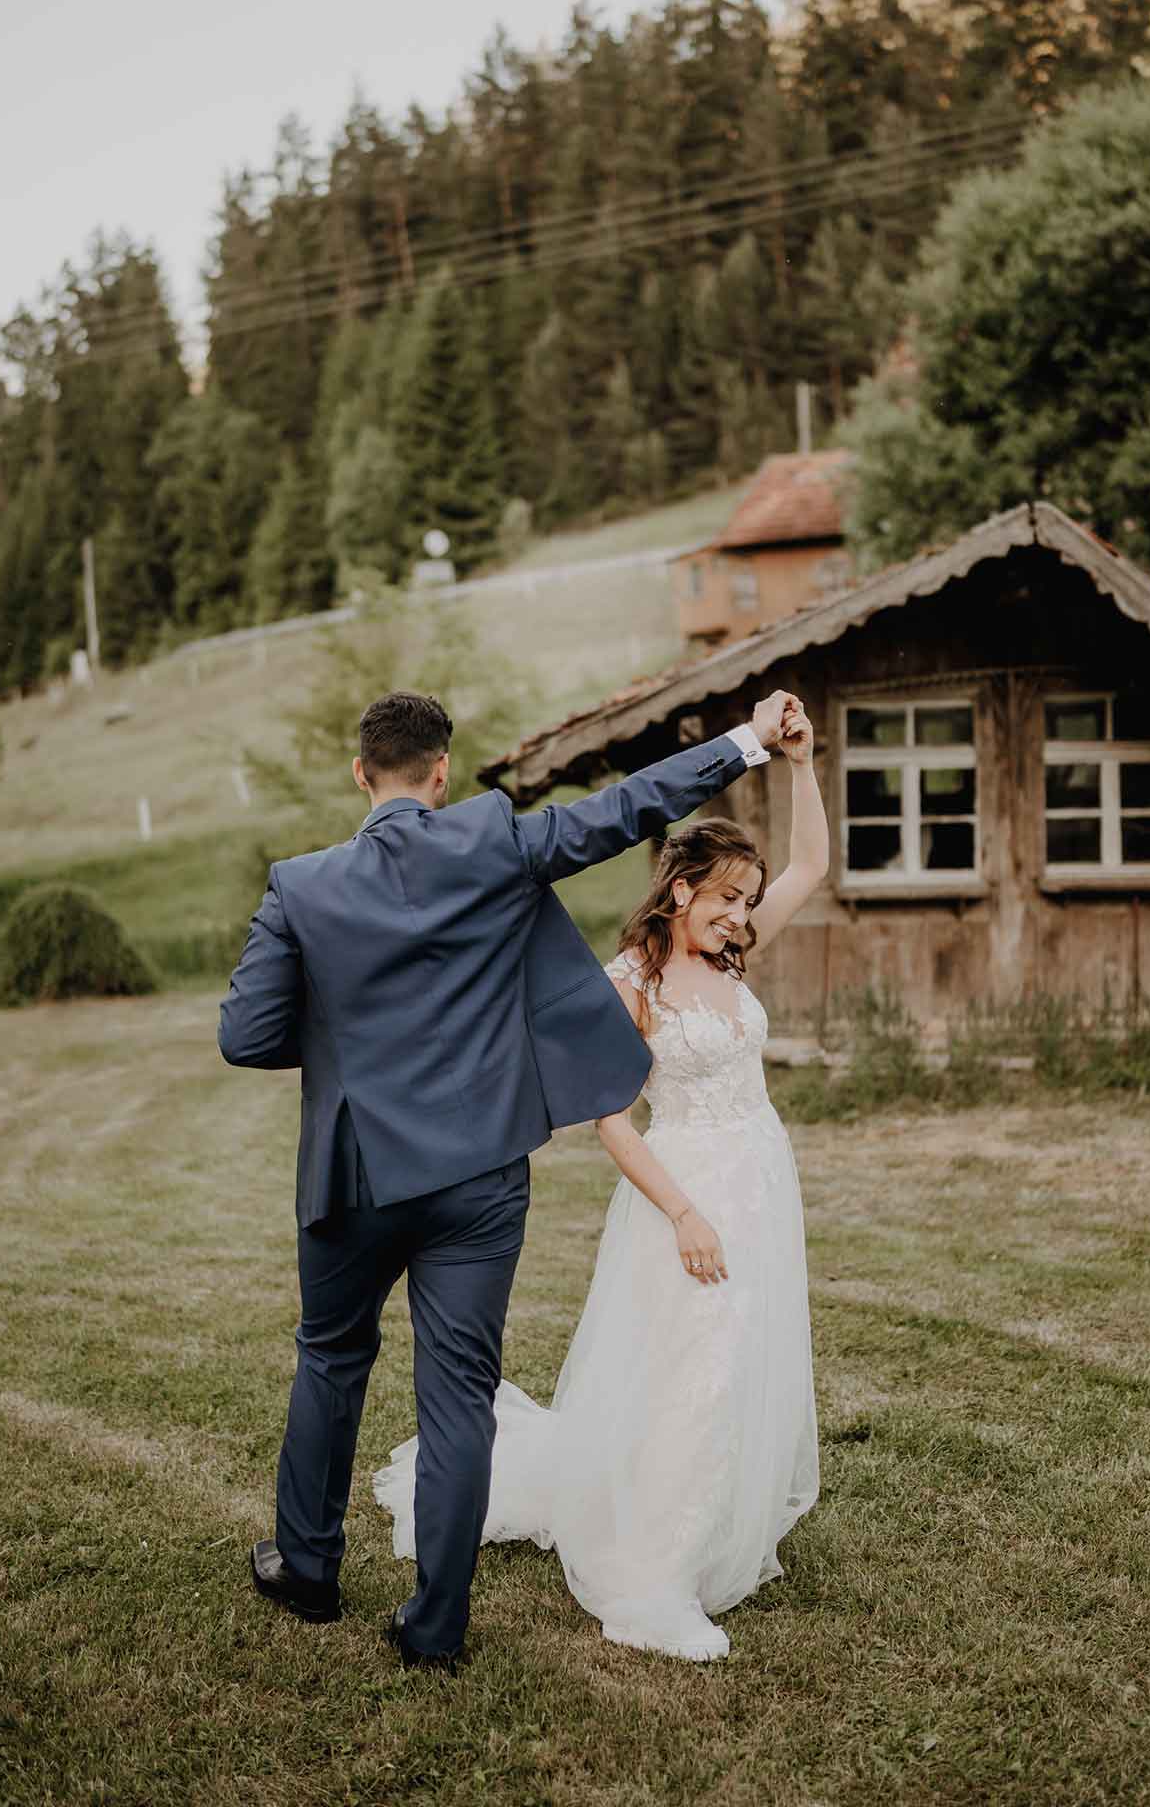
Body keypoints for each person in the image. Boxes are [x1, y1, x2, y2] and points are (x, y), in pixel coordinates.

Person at [218, 686, 797, 1670]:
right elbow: (627, 810)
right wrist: (745, 739)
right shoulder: (490, 841)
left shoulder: (300, 885)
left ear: (362, 774)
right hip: (478, 1175)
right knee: (456, 1399)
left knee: (330, 1359)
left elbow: (246, 1034)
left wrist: (346, 1038)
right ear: (440, 773)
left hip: (352, 1172)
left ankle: (307, 1569)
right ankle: (434, 1627)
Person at [374, 700, 826, 1660]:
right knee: (690, 1370)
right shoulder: (633, 985)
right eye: (725, 898)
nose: (742, 913)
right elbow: (606, 1116)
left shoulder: (739, 958)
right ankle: (652, 1578)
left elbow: (814, 869)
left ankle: (710, 1527)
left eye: (748, 900)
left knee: (741, 1357)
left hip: (760, 1177)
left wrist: (802, 766)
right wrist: (683, 1211)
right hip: (685, 1189)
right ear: (678, 894)